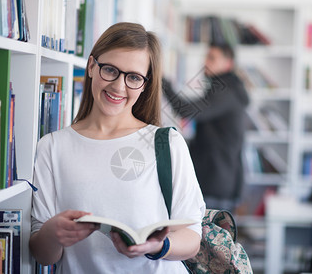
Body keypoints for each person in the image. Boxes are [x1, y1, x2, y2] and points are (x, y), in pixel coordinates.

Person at [29, 22, 205, 273]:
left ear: (144, 84)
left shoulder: (167, 143)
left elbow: (192, 239)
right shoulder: (52, 147)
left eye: (133, 77)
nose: (118, 86)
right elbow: (43, 256)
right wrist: (52, 233)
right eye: (110, 70)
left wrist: (157, 246)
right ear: (91, 66)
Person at [162, 42, 250, 211]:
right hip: (219, 177)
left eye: (212, 58)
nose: (205, 62)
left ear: (228, 63)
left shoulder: (226, 92)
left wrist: (161, 80)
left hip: (216, 181)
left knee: (210, 235)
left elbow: (186, 110)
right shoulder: (225, 89)